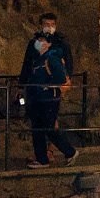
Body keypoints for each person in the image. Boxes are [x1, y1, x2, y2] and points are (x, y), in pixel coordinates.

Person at [19, 29, 78, 167]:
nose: (39, 43)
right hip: (38, 99)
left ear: (48, 44)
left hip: (48, 100)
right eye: (38, 40)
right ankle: (42, 159)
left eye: (42, 41)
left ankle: (69, 152)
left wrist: (46, 85)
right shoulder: (38, 59)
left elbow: (61, 78)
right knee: (38, 129)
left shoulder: (51, 59)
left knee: (48, 128)